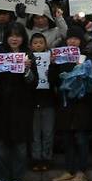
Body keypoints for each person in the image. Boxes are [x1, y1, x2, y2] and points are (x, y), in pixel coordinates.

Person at [0, 22, 38, 181]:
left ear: (23, 38)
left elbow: (33, 83)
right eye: (11, 35)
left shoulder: (28, 55)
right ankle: (2, 177)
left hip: (21, 106)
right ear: (6, 36)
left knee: (20, 146)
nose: (14, 39)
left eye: (18, 35)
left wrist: (27, 70)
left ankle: (17, 177)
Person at [49, 26, 92, 181]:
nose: (72, 41)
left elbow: (90, 82)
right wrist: (53, 65)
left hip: (82, 104)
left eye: (76, 38)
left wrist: (80, 69)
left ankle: (81, 172)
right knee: (67, 139)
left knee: (81, 139)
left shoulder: (86, 57)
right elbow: (53, 81)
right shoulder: (60, 57)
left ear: (80, 40)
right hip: (65, 104)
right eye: (70, 38)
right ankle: (69, 170)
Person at [29, 33, 55, 172]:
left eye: (41, 42)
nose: (38, 45)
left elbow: (55, 79)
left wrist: (52, 65)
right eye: (35, 43)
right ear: (30, 45)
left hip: (48, 101)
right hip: (32, 102)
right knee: (34, 134)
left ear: (45, 44)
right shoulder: (27, 59)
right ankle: (36, 159)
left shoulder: (51, 58)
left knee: (48, 132)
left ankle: (47, 158)